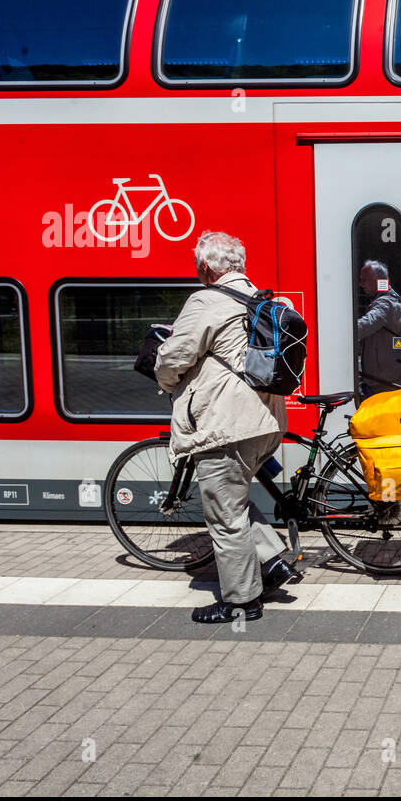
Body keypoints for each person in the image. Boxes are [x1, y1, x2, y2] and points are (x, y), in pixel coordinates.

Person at [154, 231, 301, 624]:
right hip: (265, 422)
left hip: (227, 425)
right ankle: (271, 564)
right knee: (232, 501)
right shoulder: (258, 297)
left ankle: (241, 601)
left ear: (205, 268)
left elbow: (174, 356)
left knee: (224, 515)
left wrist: (166, 381)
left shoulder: (205, 300)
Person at [356, 260, 401, 397]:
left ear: (378, 281)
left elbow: (363, 326)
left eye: (364, 280)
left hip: (386, 381)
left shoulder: (385, 303)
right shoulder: (389, 299)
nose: (361, 284)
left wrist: (343, 329)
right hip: (385, 377)